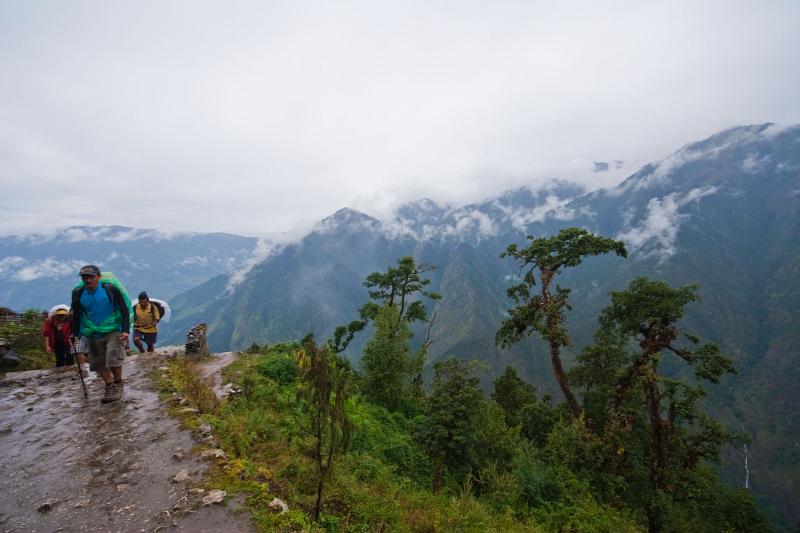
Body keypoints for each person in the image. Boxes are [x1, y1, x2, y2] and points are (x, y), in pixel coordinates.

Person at [70, 265, 130, 403]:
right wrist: (75, 334)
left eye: (91, 277)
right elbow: (76, 313)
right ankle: (109, 385)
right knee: (98, 361)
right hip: (92, 331)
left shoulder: (110, 289)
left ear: (98, 277)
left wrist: (126, 329)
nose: (88, 280)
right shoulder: (78, 293)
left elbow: (124, 309)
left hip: (113, 329)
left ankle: (118, 383)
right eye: (85, 277)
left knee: (113, 356)